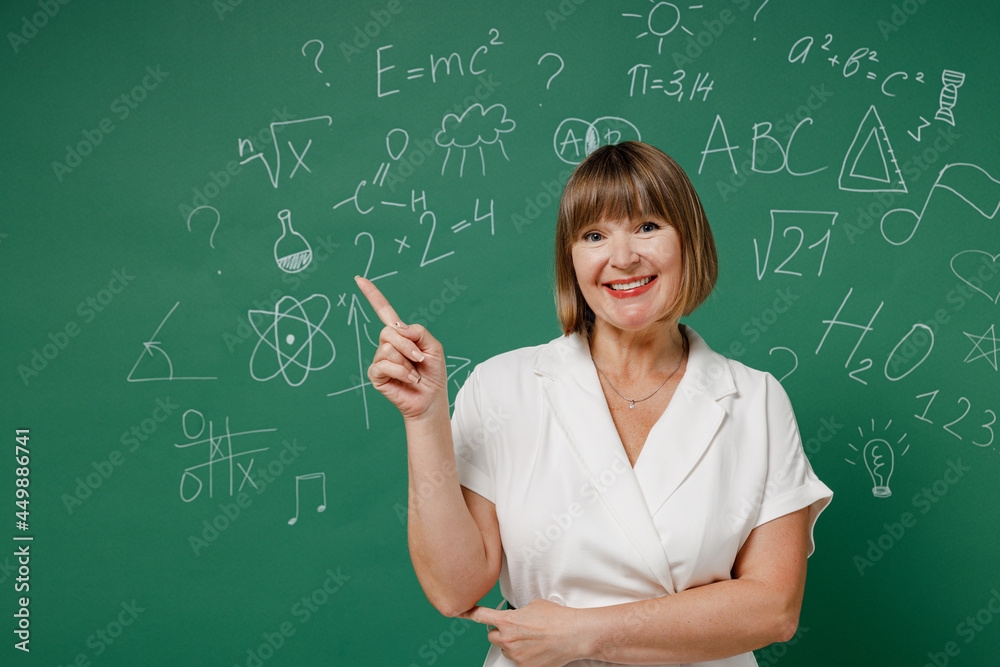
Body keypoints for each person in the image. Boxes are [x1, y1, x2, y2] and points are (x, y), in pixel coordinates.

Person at [356, 141, 833, 667]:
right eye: (594, 235)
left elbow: (774, 609)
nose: (623, 257)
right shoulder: (502, 387)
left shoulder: (757, 400)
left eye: (648, 226)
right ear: (572, 259)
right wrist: (424, 420)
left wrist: (585, 635)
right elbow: (454, 589)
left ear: (689, 242)